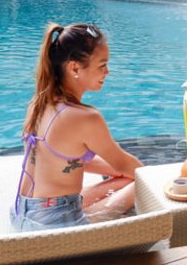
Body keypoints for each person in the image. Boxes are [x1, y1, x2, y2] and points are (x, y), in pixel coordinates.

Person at [11, 23, 141, 232]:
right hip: (54, 227)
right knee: (142, 184)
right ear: (74, 68)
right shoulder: (85, 117)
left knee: (124, 179)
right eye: (102, 65)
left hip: (22, 213)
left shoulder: (39, 102)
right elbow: (127, 164)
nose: (108, 71)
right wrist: (157, 177)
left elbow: (65, 161)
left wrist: (121, 173)